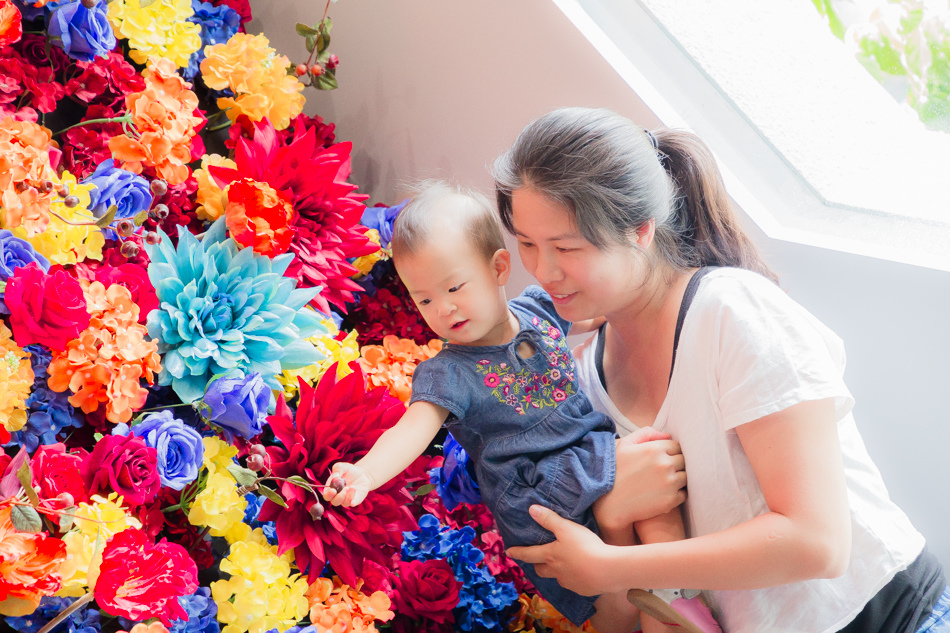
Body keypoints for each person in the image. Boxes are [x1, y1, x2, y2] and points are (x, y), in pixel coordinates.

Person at [495, 107, 950, 633]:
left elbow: (817, 542)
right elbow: (632, 615)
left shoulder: (731, 313)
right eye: (526, 243)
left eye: (566, 247)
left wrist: (611, 564)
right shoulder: (584, 380)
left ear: (641, 230)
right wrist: (614, 519)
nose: (543, 271)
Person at [322, 180, 721, 633]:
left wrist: (648, 286)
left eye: (455, 287)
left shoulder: (537, 309)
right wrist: (367, 473)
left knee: (651, 487)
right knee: (643, 466)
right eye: (425, 299)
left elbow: (607, 308)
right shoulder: (448, 372)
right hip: (536, 487)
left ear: (498, 267)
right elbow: (412, 429)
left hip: (585, 453)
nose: (444, 308)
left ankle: (672, 595)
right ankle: (659, 597)